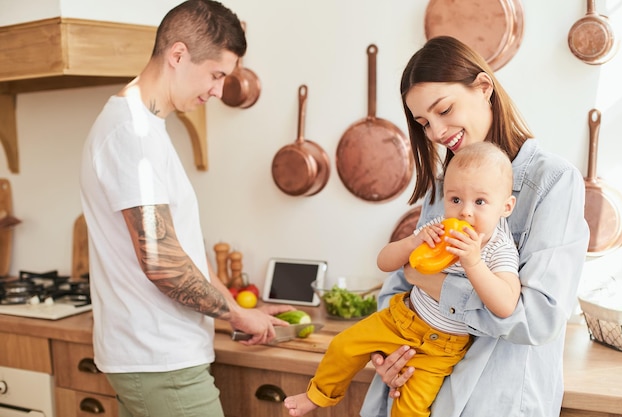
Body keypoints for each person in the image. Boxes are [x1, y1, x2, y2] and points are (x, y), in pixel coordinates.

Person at [79, 2, 293, 416]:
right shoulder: (132, 135)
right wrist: (235, 314)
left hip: (160, 357)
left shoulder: (146, 128)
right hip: (159, 359)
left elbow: (183, 249)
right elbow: (162, 262)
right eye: (216, 75)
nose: (218, 90)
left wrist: (238, 307)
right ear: (177, 55)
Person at [360, 36, 589, 417]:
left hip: (494, 401)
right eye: (424, 123)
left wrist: (432, 280)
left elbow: (538, 319)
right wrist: (386, 355)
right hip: (415, 389)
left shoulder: (552, 182)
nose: (435, 132)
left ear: (484, 88)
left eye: (444, 109)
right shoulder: (446, 183)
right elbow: (397, 287)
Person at [285, 141, 520, 417]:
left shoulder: (499, 249)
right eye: (455, 200)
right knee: (342, 345)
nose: (465, 212)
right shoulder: (436, 230)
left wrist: (474, 263)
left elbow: (506, 305)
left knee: (409, 408)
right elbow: (384, 262)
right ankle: (318, 395)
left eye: (480, 202)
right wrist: (412, 243)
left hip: (439, 349)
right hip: (399, 319)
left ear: (506, 206)